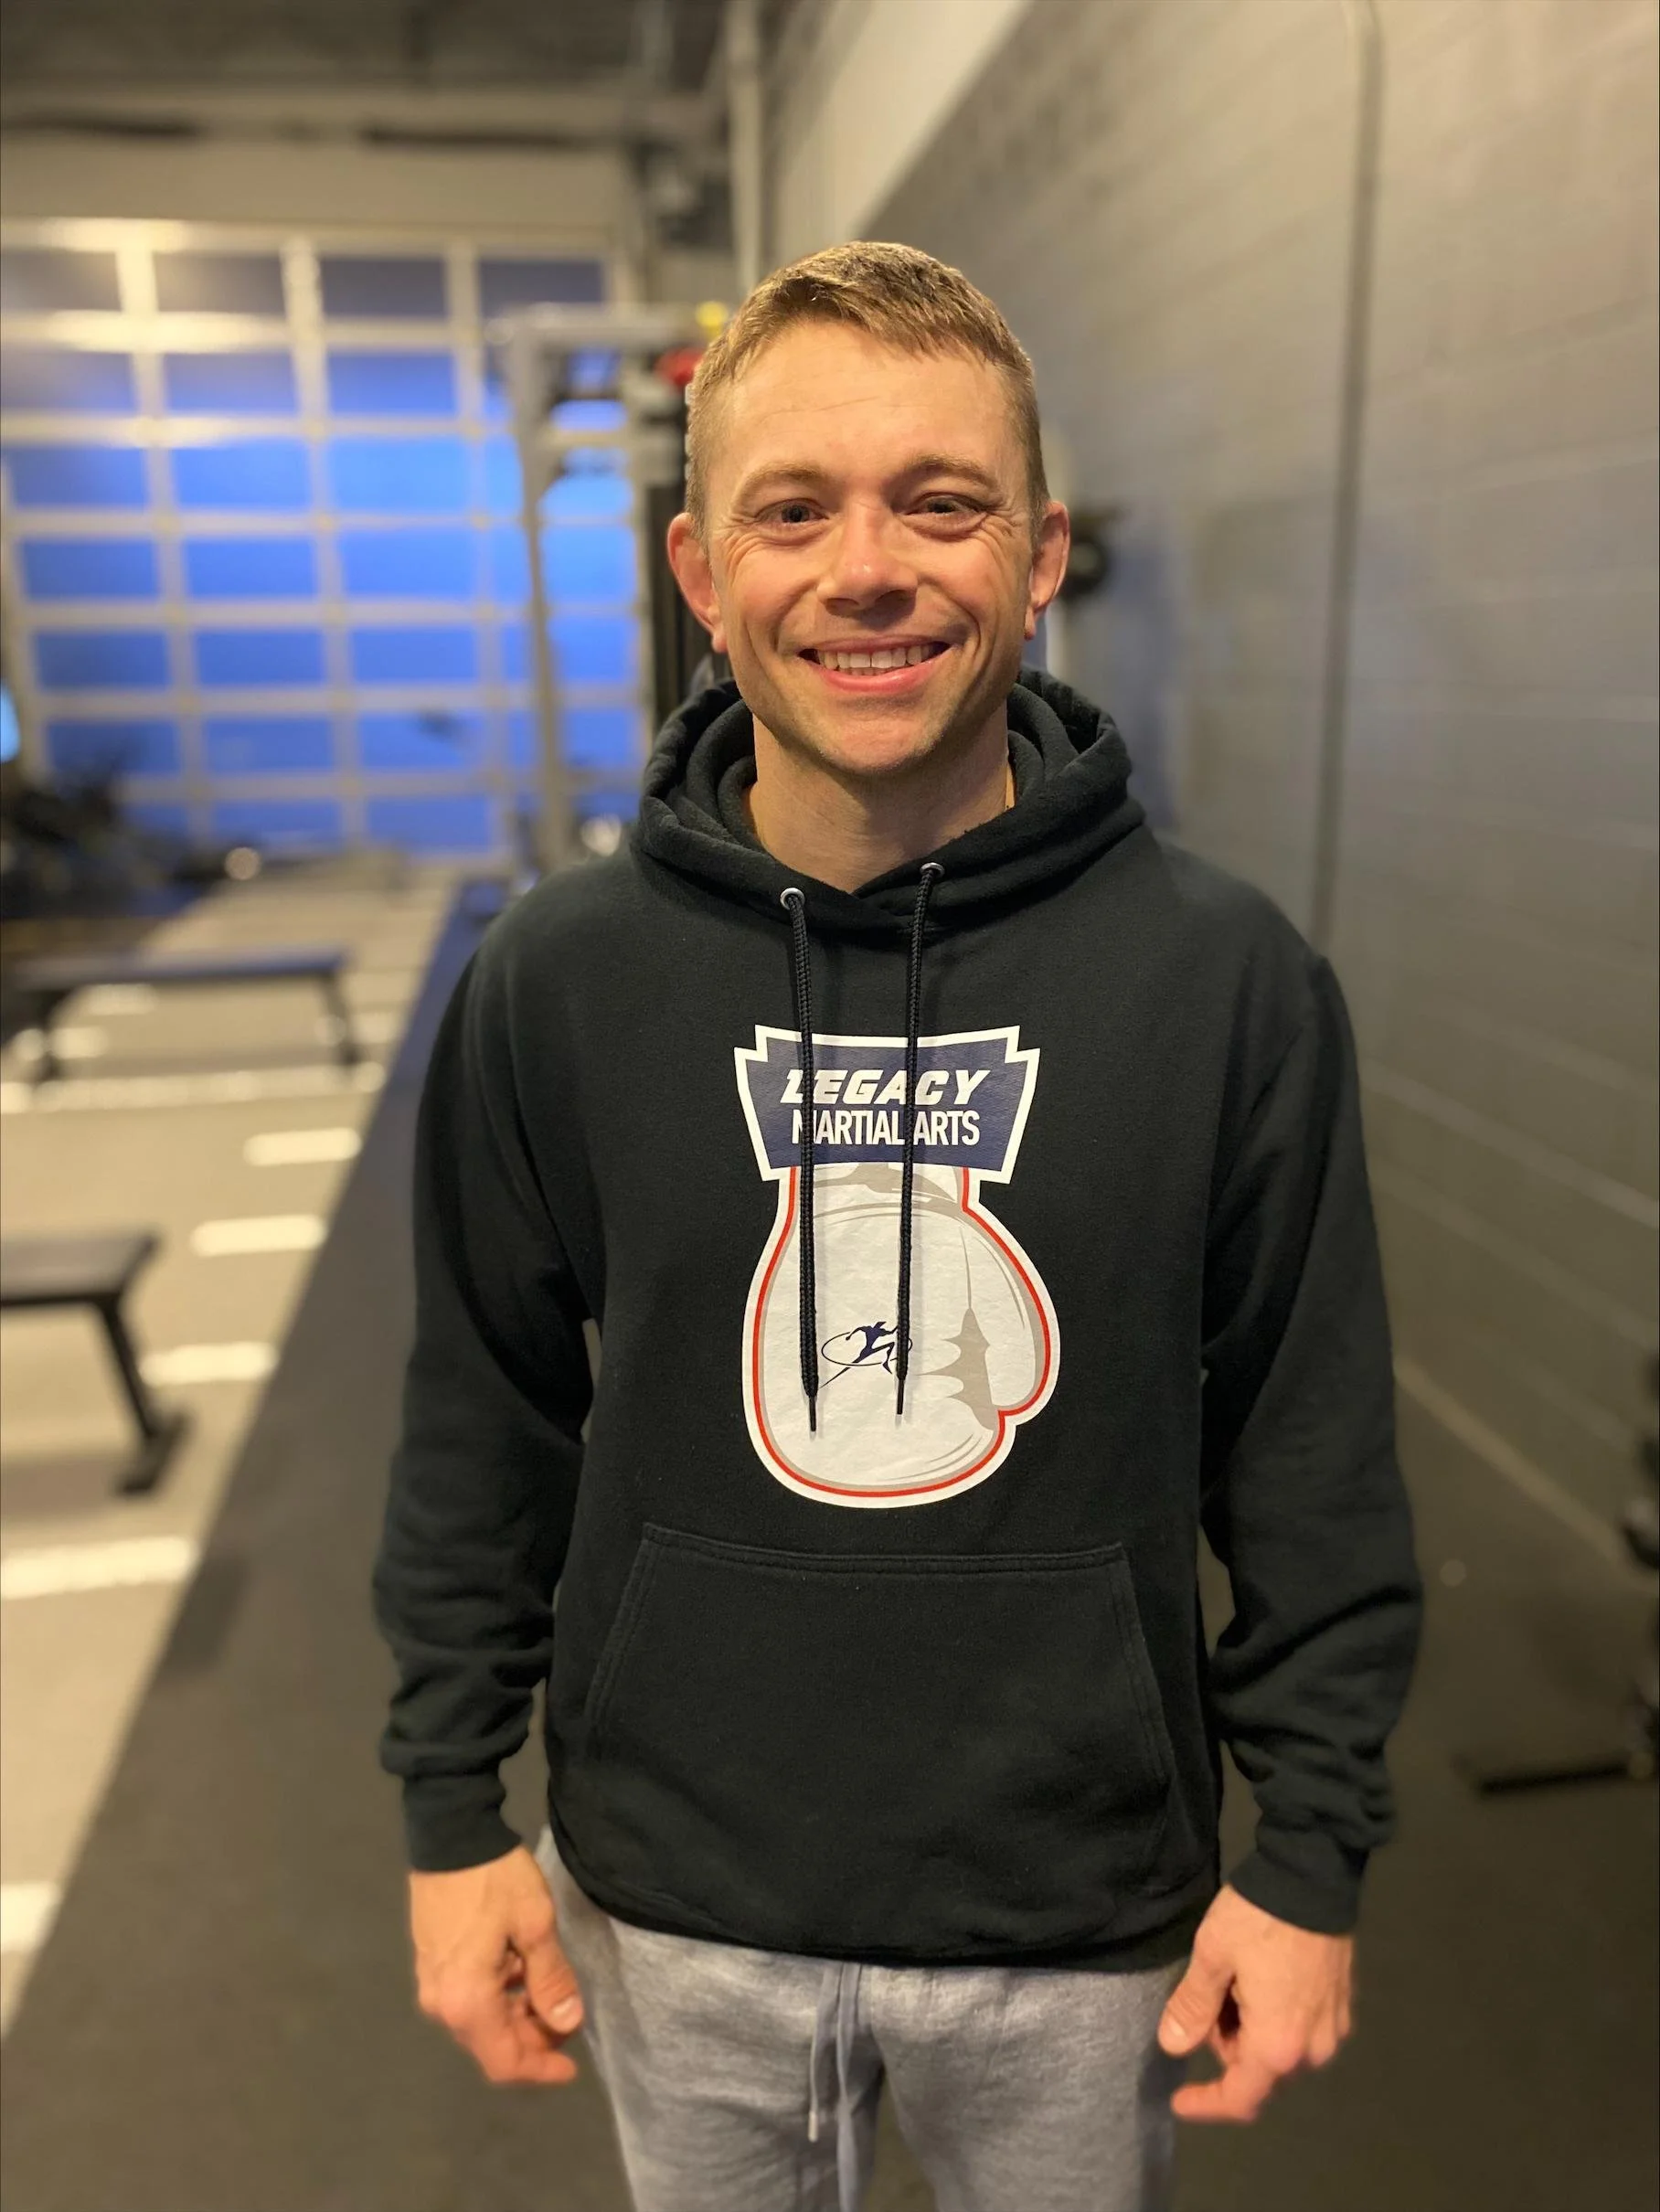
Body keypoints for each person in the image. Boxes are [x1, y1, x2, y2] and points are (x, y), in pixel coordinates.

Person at [373, 241, 1423, 2212]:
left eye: (939, 502)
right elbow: (480, 1426)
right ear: (703, 574)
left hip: (1078, 1904)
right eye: (793, 510)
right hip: (676, 1901)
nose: (866, 569)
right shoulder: (560, 979)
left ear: (1034, 555)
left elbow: (1308, 1445)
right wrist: (449, 1814)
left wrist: (1309, 1854)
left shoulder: (1225, 983)